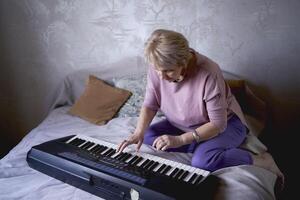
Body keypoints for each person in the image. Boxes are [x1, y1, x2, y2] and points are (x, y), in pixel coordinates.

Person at [116, 29, 284, 187]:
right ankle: (201, 144)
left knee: (202, 162)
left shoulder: (208, 72)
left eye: (168, 71)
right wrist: (138, 132)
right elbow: (150, 104)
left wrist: (181, 140)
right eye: (157, 70)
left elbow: (218, 124)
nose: (161, 76)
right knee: (147, 136)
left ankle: (262, 160)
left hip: (225, 125)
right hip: (181, 125)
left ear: (183, 61)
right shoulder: (158, 66)